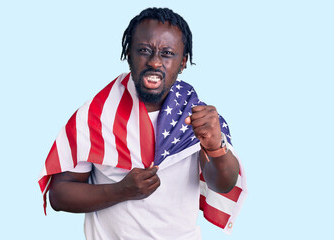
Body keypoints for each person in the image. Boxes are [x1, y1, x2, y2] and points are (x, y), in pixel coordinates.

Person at [39, 7, 247, 240]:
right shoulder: (96, 114)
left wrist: (215, 147)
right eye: (144, 50)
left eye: (167, 53)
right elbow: (58, 196)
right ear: (128, 54)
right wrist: (121, 190)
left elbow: (223, 184)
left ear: (183, 62)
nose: (155, 62)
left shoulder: (197, 117)